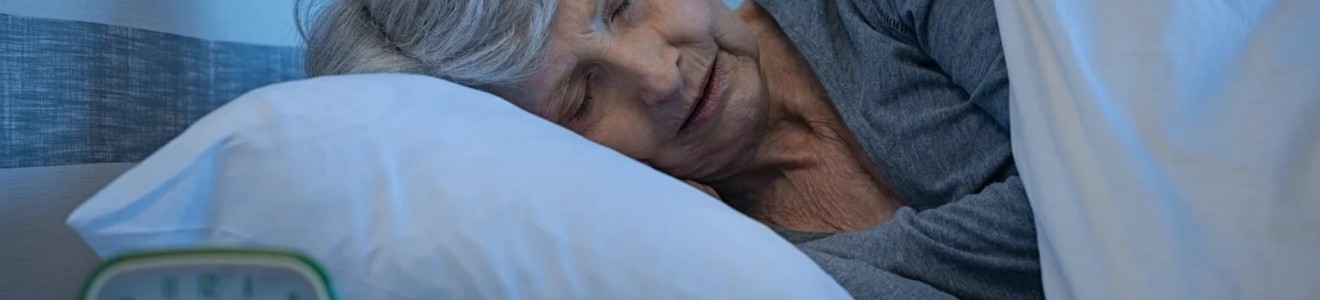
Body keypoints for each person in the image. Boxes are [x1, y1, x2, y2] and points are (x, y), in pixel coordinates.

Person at [302, 0, 1042, 298]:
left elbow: (1112, 199)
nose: (659, 74)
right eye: (582, 99)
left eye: (622, 2)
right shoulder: (662, 269)